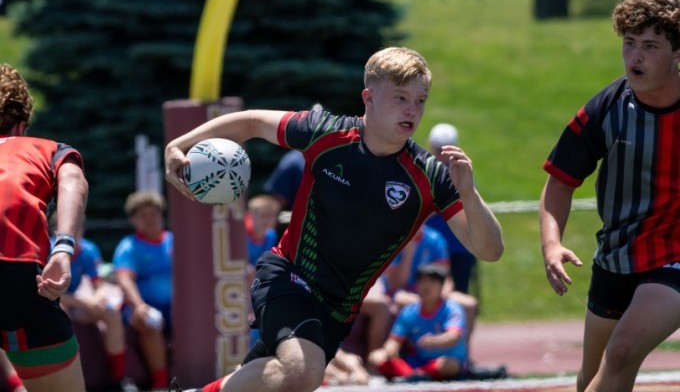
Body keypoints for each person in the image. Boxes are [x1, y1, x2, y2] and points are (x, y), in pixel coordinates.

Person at [165, 46, 503, 392]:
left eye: (420, 100)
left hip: (337, 311)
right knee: (303, 372)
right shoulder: (325, 133)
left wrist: (469, 194)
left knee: (281, 380)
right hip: (288, 277)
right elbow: (251, 121)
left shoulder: (431, 178)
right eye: (400, 97)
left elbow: (489, 249)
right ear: (368, 98)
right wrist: (180, 143)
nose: (411, 110)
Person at [539, 0, 680, 391]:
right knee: (593, 376)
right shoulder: (608, 107)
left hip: (673, 255)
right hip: (617, 257)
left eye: (650, 46)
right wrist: (551, 245)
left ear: (676, 52)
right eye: (629, 43)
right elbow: (560, 183)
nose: (635, 56)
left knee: (620, 354)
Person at [0, 63, 88, 392]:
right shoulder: (46, 149)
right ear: (21, 124)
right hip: (17, 271)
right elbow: (73, 181)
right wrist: (63, 247)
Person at [49, 215, 136, 392]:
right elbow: (49, 289)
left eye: (78, 226)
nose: (74, 230)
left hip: (77, 301)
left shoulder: (88, 249)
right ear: (55, 230)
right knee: (60, 316)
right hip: (51, 301)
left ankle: (118, 379)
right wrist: (84, 303)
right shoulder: (46, 248)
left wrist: (99, 297)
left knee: (111, 314)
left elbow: (98, 284)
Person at [113, 191, 173, 390]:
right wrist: (139, 306)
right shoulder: (128, 246)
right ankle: (160, 382)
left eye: (154, 214)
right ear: (133, 220)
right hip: (143, 306)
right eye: (142, 215)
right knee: (150, 321)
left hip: (176, 307)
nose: (149, 220)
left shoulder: (174, 240)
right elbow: (125, 279)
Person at [368, 263, 467, 382]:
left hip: (443, 362)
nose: (427, 286)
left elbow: (453, 336)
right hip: (415, 363)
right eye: (423, 281)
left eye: (432, 282)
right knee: (376, 357)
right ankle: (415, 375)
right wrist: (389, 350)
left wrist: (434, 341)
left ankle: (415, 376)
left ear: (441, 286)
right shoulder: (409, 311)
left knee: (450, 366)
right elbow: (395, 340)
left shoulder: (452, 308)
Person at [425, 123, 478, 294]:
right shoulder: (428, 171)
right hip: (433, 246)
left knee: (458, 294)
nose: (442, 154)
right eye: (439, 149)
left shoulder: (462, 173)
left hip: (459, 245)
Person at [244, 194, 281, 347]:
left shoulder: (270, 235)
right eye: (262, 215)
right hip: (239, 287)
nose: (267, 220)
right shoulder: (240, 233)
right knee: (249, 271)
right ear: (250, 215)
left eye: (271, 216)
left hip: (258, 288)